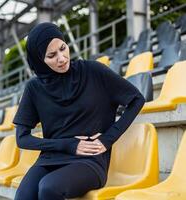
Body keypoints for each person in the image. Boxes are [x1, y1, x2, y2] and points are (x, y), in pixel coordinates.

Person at [13, 22, 145, 200]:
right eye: (52, 55)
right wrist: (67, 144)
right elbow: (22, 138)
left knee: (48, 188)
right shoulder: (34, 88)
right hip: (51, 158)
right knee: (23, 195)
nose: (61, 58)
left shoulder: (93, 71)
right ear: (39, 60)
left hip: (89, 159)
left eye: (62, 48)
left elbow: (137, 99)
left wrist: (107, 139)